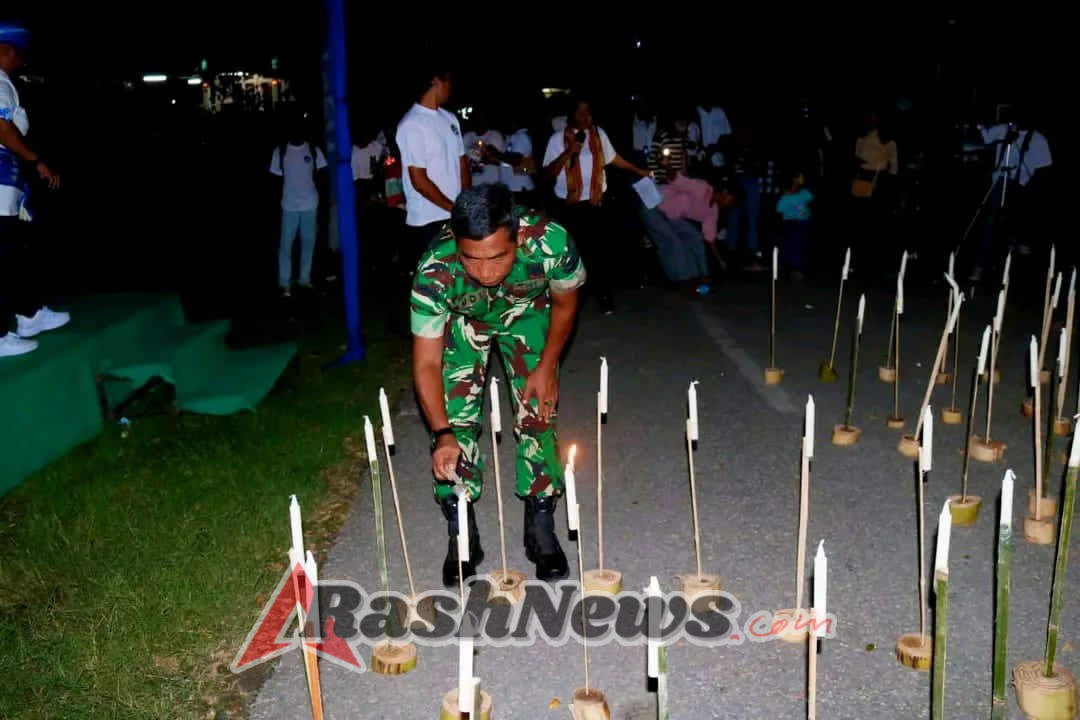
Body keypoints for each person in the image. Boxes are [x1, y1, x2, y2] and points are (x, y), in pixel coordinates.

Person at [411, 184, 584, 586]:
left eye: (497, 258)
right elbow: (427, 362)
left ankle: (540, 524)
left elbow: (565, 304)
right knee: (453, 419)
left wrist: (547, 366)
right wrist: (442, 432)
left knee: (538, 412)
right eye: (471, 259)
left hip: (527, 313)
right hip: (464, 321)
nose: (485, 272)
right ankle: (462, 530)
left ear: (518, 237)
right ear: (456, 244)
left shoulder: (551, 242)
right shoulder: (434, 270)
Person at [542, 96, 649, 315]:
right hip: (570, 205)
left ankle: (604, 296)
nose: (585, 117)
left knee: (601, 251)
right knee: (575, 254)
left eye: (588, 112)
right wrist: (569, 152)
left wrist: (637, 170)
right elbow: (549, 173)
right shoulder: (556, 139)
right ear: (572, 115)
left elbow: (613, 158)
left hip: (596, 202)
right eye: (581, 112)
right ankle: (575, 299)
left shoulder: (598, 134)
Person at [0, 21, 67, 358]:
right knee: (4, 253)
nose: (20, 60)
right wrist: (36, 160)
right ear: (5, 51)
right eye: (17, 53)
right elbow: (1, 127)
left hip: (7, 180)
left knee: (13, 251)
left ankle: (29, 314)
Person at [395, 65, 469, 272]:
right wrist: (453, 208)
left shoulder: (450, 118)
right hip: (428, 220)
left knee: (459, 276)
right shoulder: (411, 124)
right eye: (449, 81)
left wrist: (463, 203)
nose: (451, 87)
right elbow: (419, 181)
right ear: (437, 81)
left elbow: (462, 163)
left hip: (454, 215)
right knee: (434, 281)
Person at [968, 113, 1052, 282]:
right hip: (999, 182)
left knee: (1016, 226)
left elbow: (1044, 169)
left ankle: (1016, 267)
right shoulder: (1004, 129)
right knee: (990, 223)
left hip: (1022, 187)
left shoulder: (1038, 139)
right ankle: (980, 266)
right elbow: (981, 136)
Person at [270, 111, 327, 296]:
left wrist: (322, 202)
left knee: (308, 243)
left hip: (310, 204)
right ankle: (284, 282)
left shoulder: (314, 150)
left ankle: (304, 278)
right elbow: (275, 179)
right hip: (289, 206)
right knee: (286, 245)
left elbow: (322, 176)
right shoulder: (280, 151)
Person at [776, 169, 813, 278]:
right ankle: (791, 268)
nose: (803, 179)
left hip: (804, 223)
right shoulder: (785, 195)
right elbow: (779, 209)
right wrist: (789, 197)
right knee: (790, 245)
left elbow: (809, 197)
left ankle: (797, 268)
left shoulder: (804, 192)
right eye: (801, 176)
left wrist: (791, 196)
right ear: (794, 179)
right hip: (790, 223)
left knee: (800, 245)